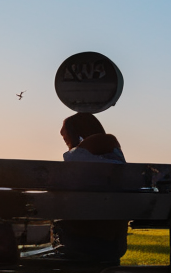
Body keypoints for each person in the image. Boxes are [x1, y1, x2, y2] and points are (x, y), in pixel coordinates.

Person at [24, 112, 129, 262]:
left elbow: (71, 161)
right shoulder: (113, 162)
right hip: (112, 247)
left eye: (65, 136)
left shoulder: (104, 143)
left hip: (78, 246)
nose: (62, 136)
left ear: (78, 133)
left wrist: (76, 147)